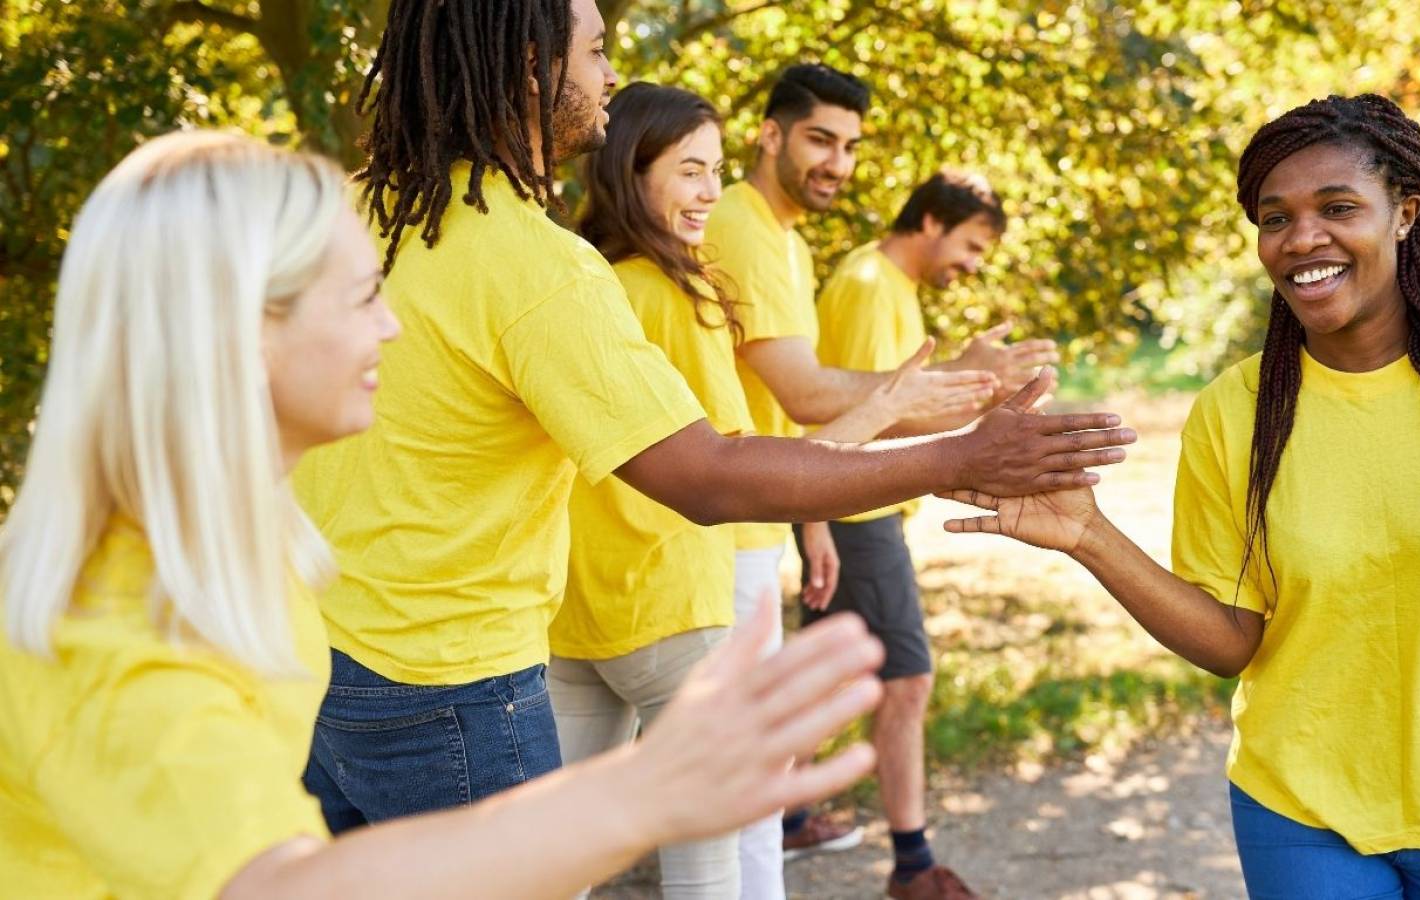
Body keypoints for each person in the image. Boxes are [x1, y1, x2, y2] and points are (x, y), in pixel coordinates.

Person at [291, 0, 1133, 839]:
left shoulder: (355, 213)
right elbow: (707, 475)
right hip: (450, 687)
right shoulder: (536, 266)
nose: (611, 74)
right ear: (530, 66)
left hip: (319, 651)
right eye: (595, 52)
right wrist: (959, 458)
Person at [0, 129, 892, 900]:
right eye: (360, 297)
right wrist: (648, 789)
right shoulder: (119, 621)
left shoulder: (226, 550)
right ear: (240, 328)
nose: (391, 328)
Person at [942, 94, 1420, 899]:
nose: (1302, 239)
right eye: (1274, 217)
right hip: (1298, 809)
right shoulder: (1234, 409)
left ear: (1405, 213)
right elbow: (1230, 642)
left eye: (1337, 207)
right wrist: (1090, 536)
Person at [549, 83, 974, 899]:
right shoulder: (681, 292)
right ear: (630, 173)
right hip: (675, 607)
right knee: (721, 855)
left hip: (583, 610)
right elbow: (745, 460)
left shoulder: (591, 285)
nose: (712, 191)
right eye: (689, 171)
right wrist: (891, 409)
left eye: (716, 170)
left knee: (565, 855)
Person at [702, 65, 1060, 890]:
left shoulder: (790, 243)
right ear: (768, 134)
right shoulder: (812, 257)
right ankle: (910, 863)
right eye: (821, 139)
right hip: (776, 507)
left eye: (850, 146)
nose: (838, 162)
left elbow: (859, 402)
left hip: (778, 511)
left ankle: (826, 829)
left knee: (832, 690)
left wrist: (972, 390)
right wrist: (966, 396)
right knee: (887, 683)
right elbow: (822, 401)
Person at [791, 169, 1020, 900]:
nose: (974, 265)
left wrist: (982, 392)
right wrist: (816, 518)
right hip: (857, 513)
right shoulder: (867, 284)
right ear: (930, 222)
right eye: (973, 245)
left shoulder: (887, 285)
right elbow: (831, 416)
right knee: (907, 677)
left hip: (860, 511)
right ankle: (913, 866)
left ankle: (785, 812)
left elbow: (898, 410)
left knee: (833, 674)